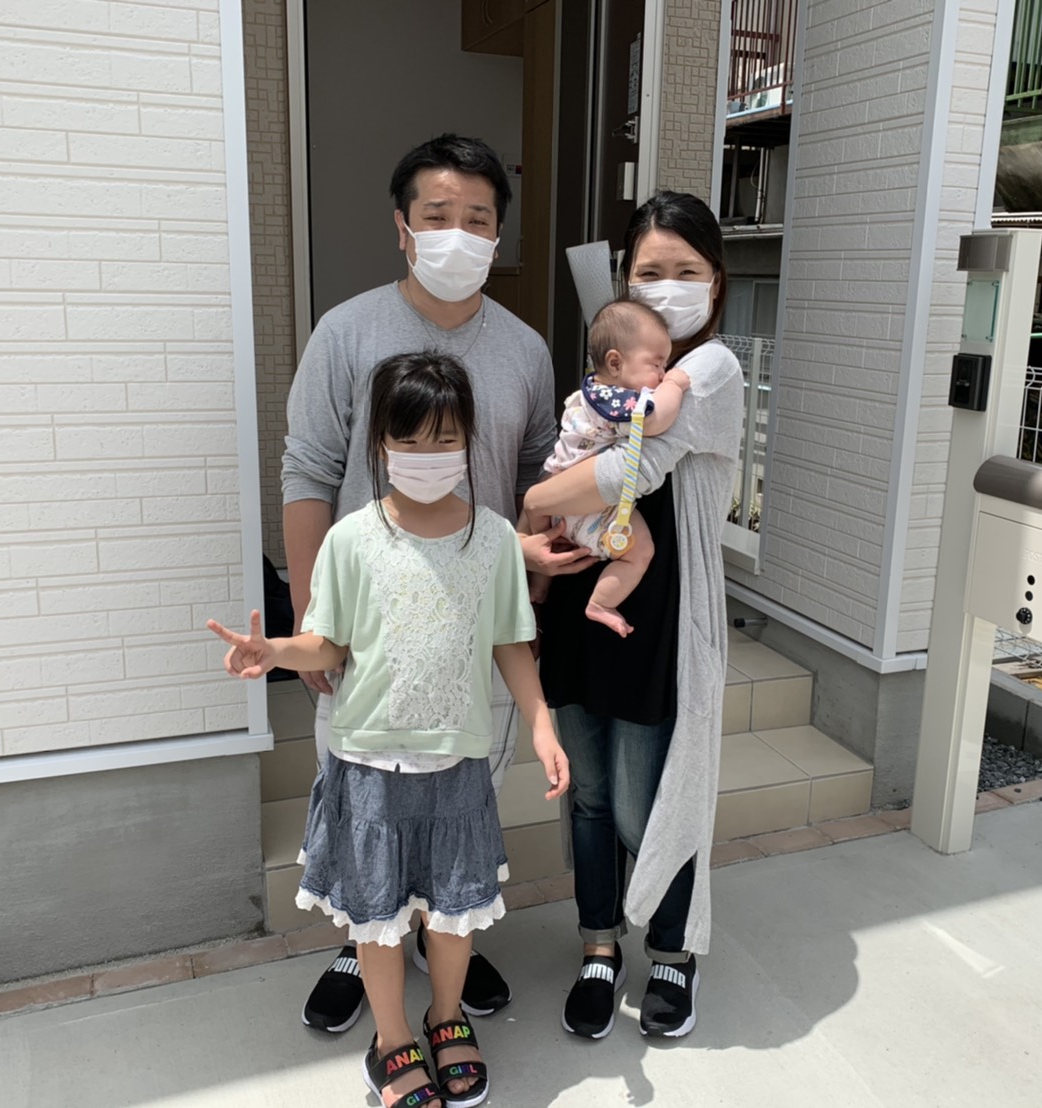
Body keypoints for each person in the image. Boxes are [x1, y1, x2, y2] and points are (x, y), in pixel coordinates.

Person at [280, 134, 590, 1035]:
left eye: (478, 219)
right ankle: (363, 936)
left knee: (461, 793)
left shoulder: (525, 349)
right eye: (438, 215)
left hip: (472, 626)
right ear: (403, 227)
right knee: (362, 799)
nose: (458, 233)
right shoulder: (347, 331)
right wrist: (309, 617)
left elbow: (536, 480)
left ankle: (444, 928)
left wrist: (535, 582)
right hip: (366, 626)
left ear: (498, 234)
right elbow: (308, 470)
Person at [216, 353, 571, 1108]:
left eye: (445, 438)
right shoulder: (351, 538)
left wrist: (542, 725)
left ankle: (445, 1018)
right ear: (380, 442)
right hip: (367, 765)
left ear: (469, 439)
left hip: (456, 765)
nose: (427, 455)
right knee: (376, 920)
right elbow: (328, 646)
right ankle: (391, 1039)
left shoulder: (493, 539)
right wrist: (275, 651)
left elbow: (512, 644)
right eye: (409, 440)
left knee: (453, 916)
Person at [523, 191, 743, 1040]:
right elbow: (581, 453)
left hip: (662, 622)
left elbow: (628, 473)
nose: (669, 284)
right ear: (626, 276)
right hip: (585, 607)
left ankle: (673, 953)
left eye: (687, 269)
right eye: (652, 270)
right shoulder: (614, 368)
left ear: (715, 281)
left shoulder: (709, 370)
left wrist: (537, 499)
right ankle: (598, 945)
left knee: (646, 805)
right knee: (588, 797)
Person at [527, 298, 691, 637]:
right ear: (615, 362)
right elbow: (654, 421)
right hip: (589, 507)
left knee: (543, 541)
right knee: (640, 552)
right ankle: (601, 602)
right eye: (657, 364)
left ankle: (540, 586)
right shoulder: (616, 402)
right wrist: (674, 385)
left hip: (557, 495)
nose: (662, 373)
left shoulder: (592, 391)